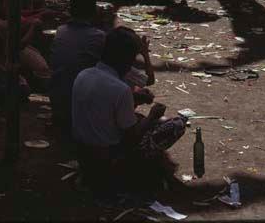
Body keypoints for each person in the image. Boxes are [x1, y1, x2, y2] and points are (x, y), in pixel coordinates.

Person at [72, 26, 186, 189]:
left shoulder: (83, 75)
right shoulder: (120, 89)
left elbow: (102, 104)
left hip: (82, 153)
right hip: (109, 158)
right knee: (175, 124)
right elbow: (132, 135)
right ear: (125, 59)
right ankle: (137, 173)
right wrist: (152, 116)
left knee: (144, 120)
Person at [50, 0, 106, 132]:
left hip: (58, 103)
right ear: (93, 11)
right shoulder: (98, 37)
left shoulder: (61, 31)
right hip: (79, 109)